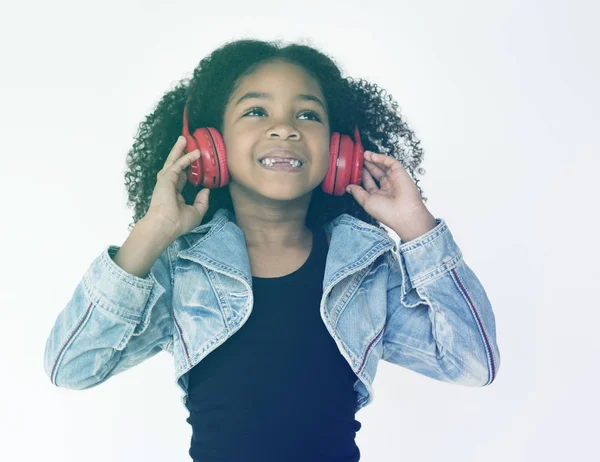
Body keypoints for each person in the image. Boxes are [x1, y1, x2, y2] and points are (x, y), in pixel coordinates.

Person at [43, 38, 501, 462]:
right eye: (256, 112)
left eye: (308, 115)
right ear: (211, 148)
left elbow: (472, 363)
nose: (284, 128)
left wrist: (419, 230)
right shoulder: (183, 267)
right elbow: (72, 365)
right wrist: (153, 231)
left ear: (339, 153)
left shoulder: (366, 268)